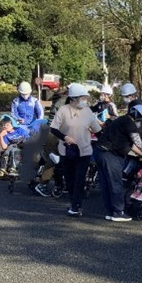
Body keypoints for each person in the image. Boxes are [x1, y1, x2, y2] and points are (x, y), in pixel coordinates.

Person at [95, 105, 142, 222]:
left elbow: (131, 145)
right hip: (111, 155)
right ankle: (118, 212)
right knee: (115, 183)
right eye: (141, 120)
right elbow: (138, 142)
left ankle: (111, 211)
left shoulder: (121, 121)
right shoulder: (129, 122)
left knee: (106, 183)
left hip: (100, 152)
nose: (140, 123)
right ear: (138, 117)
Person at [50, 83, 102, 217]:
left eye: (85, 98)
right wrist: (65, 137)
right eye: (82, 98)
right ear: (74, 98)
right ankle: (73, 200)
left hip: (84, 151)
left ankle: (76, 206)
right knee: (70, 180)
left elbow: (98, 130)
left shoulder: (88, 111)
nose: (85, 100)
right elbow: (53, 128)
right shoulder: (63, 110)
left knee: (80, 179)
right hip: (67, 151)